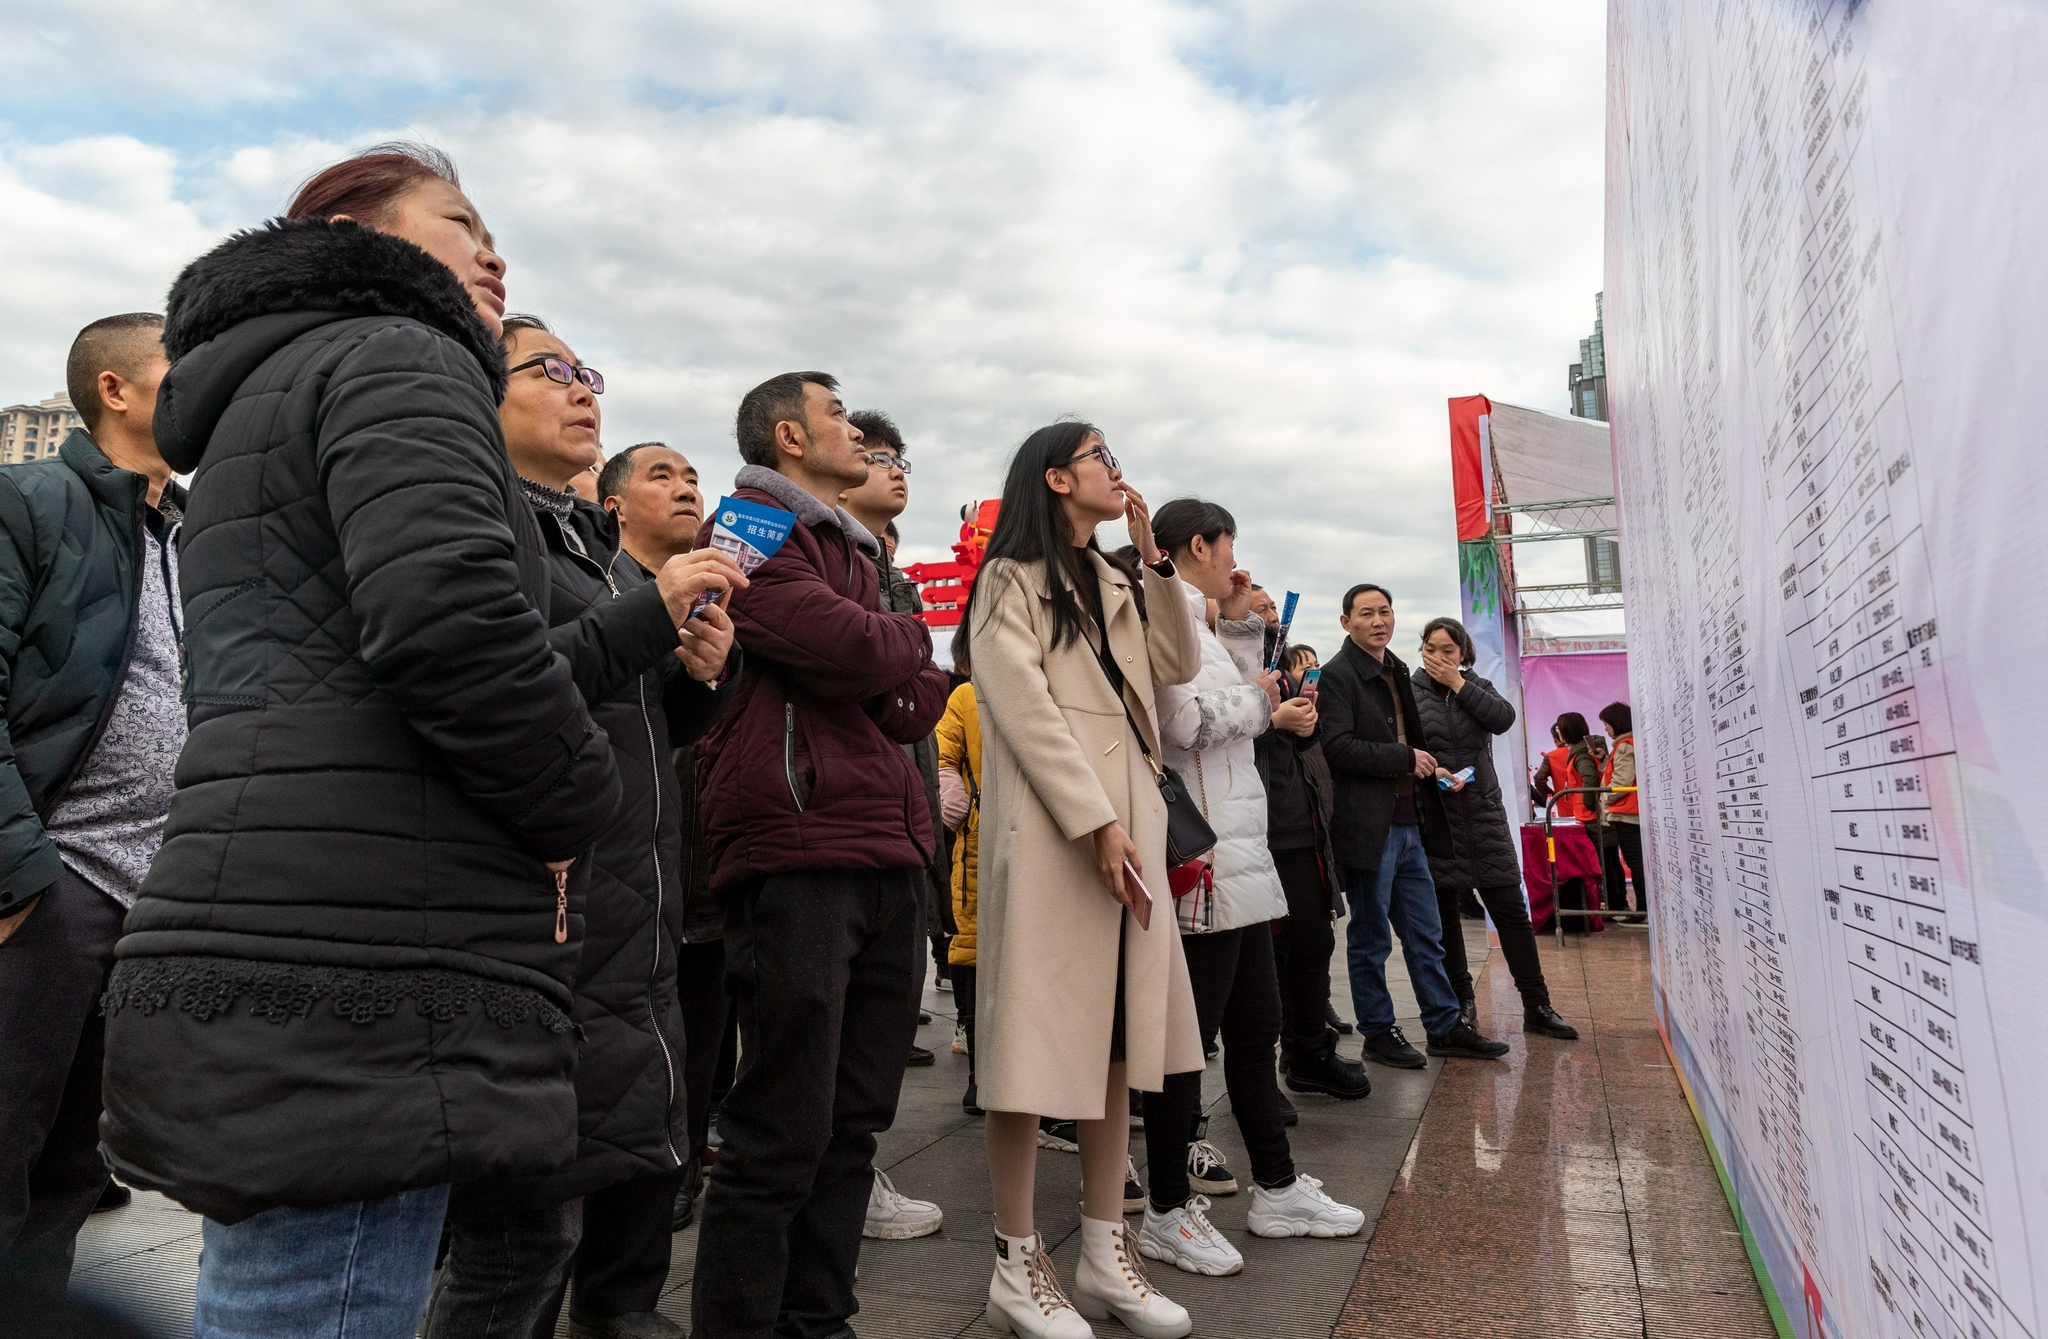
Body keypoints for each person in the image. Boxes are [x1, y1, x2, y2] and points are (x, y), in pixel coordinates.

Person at [96, 144, 623, 1338]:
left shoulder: (269, 392)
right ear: (358, 234)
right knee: (328, 1302)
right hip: (368, 933)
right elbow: (448, 623)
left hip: (282, 903)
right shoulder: (400, 348)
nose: (492, 252)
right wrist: (573, 806)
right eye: (459, 221)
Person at [425, 319, 742, 1339]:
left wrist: (694, 677)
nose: (580, 388)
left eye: (587, 371)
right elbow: (505, 690)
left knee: (597, 1200)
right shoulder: (482, 525)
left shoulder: (590, 553)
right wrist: (652, 614)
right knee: (517, 1242)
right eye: (550, 371)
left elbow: (626, 721)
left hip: (623, 916)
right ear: (485, 396)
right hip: (542, 915)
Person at [688, 372, 950, 1339]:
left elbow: (911, 696)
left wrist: (889, 652)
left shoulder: (856, 546)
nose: (863, 435)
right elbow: (877, 659)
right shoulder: (749, 522)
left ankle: (817, 1319)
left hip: (885, 846)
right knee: (781, 1129)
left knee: (854, 1121)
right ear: (791, 436)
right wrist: (896, 644)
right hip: (797, 847)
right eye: (841, 417)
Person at [961, 421, 1202, 1339]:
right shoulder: (1005, 578)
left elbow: (1174, 668)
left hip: (1129, 823)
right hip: (1064, 829)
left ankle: (1105, 1253)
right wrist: (1094, 821)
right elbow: (1023, 711)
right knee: (1029, 1051)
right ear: (1056, 478)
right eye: (1099, 454)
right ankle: (1016, 1263)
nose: (1116, 467)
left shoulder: (1112, 575)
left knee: (1112, 1045)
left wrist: (1156, 565)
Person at [1135, 499, 1366, 1280]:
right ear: (1198, 545)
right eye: (1228, 548)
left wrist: (1237, 625)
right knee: (1183, 1047)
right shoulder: (1152, 609)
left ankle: (1276, 1183)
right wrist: (1265, 702)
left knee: (1256, 1025)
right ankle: (1167, 1207)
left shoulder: (1195, 619)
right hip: (1203, 862)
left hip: (1238, 856)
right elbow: (1186, 722)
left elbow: (1225, 688)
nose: (1237, 563)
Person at [0, 313, 176, 1289]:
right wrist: (23, 876)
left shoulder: (193, 534)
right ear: (115, 389)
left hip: (147, 907)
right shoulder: (27, 500)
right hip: (49, 891)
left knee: (74, 1170)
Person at [594, 440, 735, 1230]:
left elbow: (671, 730)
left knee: (681, 1054)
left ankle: (631, 1281)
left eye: (691, 476)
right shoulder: (593, 582)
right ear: (611, 505)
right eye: (661, 475)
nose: (686, 488)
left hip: (683, 867)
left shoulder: (703, 597)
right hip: (602, 868)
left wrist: (711, 675)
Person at [1317, 584, 1509, 1068]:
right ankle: (1378, 1032)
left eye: (1385, 610)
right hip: (1369, 827)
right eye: (1366, 613)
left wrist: (1430, 768)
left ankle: (1444, 1025)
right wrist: (1405, 758)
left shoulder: (1397, 668)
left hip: (1412, 822)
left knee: (1427, 932)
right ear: (1346, 622)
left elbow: (1410, 741)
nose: (1379, 620)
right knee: (1371, 937)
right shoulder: (1339, 675)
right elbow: (1336, 747)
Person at [1409, 618, 1578, 1041]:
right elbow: (1403, 749)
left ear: (1464, 653)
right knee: (1445, 920)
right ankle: (1462, 1005)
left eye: (1449, 650)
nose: (1439, 657)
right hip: (1438, 819)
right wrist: (1433, 770)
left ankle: (1536, 1004)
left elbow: (1503, 719)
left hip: (1483, 815)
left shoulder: (1477, 686)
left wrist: (1459, 684)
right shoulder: (1410, 693)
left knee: (1511, 913)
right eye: (1432, 648)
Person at [841, 409, 949, 1073]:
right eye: (879, 458)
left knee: (885, 1015)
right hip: (851, 815)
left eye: (900, 462)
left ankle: (859, 1173)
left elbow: (925, 692)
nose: (894, 471)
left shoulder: (898, 581)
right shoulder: (825, 565)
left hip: (907, 806)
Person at [1257, 642, 1367, 1093]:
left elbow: (1304, 750)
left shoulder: (1278, 681)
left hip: (1302, 825)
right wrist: (1270, 719)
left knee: (1313, 942)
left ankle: (1307, 1051)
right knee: (1260, 957)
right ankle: (1263, 1072)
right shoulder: (1221, 664)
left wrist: (1302, 723)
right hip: (1260, 831)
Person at [935, 650, 984, 1115]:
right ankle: (979, 1074)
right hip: (977, 841)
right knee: (970, 944)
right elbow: (944, 751)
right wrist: (954, 793)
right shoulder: (965, 696)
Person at [1599, 702, 1648, 924]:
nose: (1605, 729)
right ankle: (1642, 909)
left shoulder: (1625, 746)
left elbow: (1622, 780)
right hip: (1630, 811)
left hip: (1628, 813)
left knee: (1635, 862)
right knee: (1635, 861)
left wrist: (1606, 798)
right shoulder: (1627, 744)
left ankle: (1642, 911)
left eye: (1606, 724)